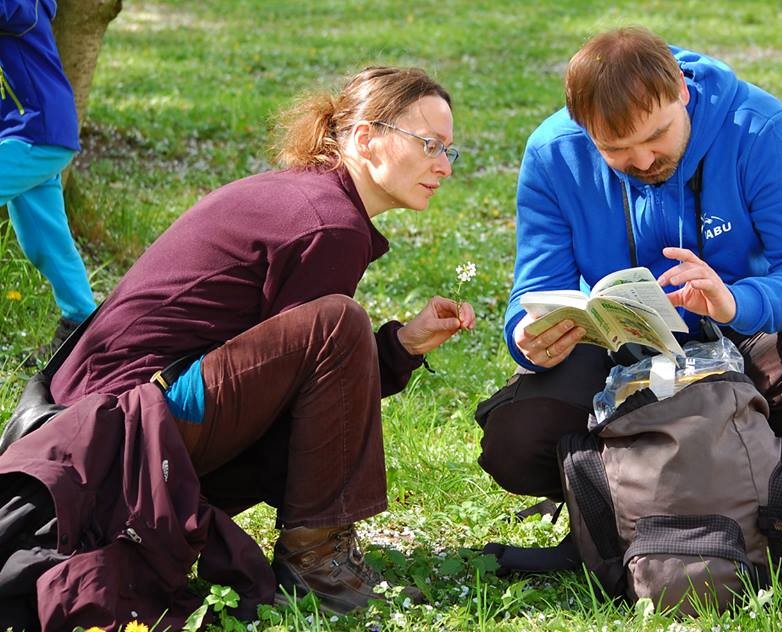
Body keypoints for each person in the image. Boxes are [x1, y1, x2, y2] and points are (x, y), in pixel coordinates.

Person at [48, 65, 475, 613]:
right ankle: (317, 561)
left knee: (333, 331)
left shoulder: (314, 198)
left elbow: (293, 377)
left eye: (449, 151)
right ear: (366, 138)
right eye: (429, 144)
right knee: (337, 323)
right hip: (121, 433)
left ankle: (307, 548)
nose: (444, 165)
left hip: (98, 427)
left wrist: (402, 346)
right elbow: (311, 392)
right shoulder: (329, 223)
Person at [476, 26, 782, 503]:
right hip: (617, 345)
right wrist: (526, 337)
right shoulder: (553, 153)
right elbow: (536, 287)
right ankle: (619, 504)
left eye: (656, 135)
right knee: (515, 442)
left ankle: (770, 489)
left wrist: (734, 300)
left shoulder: (758, 127)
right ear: (583, 128)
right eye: (615, 150)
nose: (642, 160)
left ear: (682, 92)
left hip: (737, 331)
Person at [1, 0, 97, 346]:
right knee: (45, 241)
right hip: (31, 134)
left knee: (46, 241)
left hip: (37, 132)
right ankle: (83, 324)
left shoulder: (21, 6)